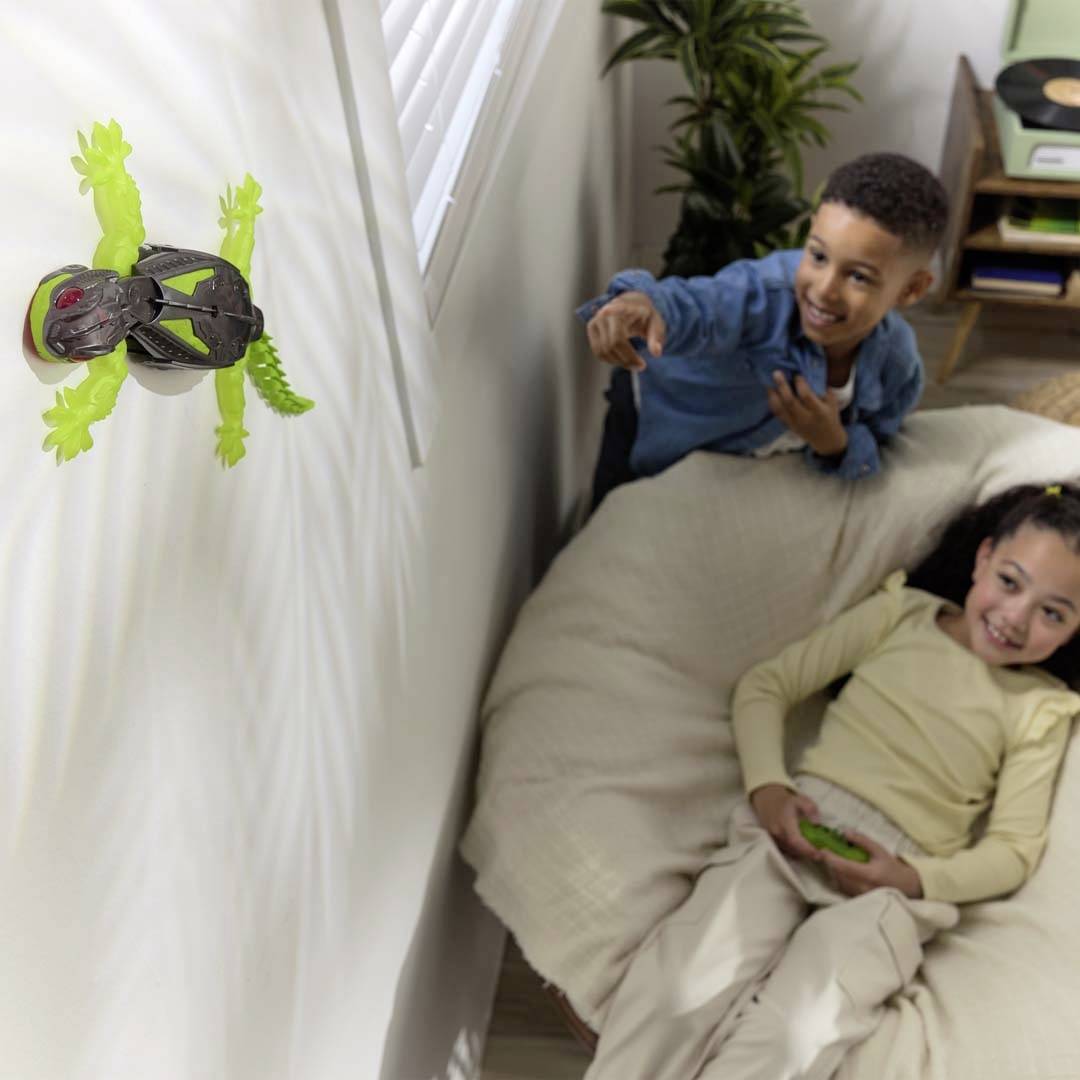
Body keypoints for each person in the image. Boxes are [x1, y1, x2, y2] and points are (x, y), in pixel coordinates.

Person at [584, 483, 1080, 1080]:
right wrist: (768, 789)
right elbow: (768, 687)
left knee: (796, 1036)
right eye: (1009, 581)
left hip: (891, 888)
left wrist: (914, 877)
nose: (1016, 618)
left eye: (1053, 612)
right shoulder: (901, 614)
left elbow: (1014, 851)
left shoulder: (1041, 709)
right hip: (791, 832)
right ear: (981, 558)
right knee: (679, 989)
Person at [578, 152, 949, 510]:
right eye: (818, 256)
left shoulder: (897, 368)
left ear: (911, 289)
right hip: (656, 414)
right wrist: (641, 303)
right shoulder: (765, 294)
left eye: (858, 276)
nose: (823, 290)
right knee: (612, 517)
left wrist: (834, 443)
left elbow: (877, 443)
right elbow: (698, 306)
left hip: (739, 463)